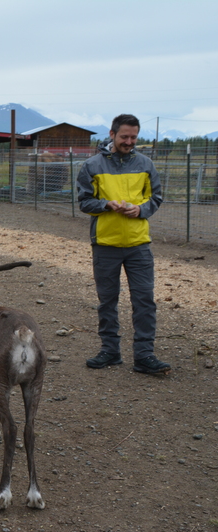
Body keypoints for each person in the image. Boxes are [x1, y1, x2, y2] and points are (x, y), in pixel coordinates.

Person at [77, 113, 170, 374]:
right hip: (105, 243)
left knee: (144, 300)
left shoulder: (146, 164)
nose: (129, 141)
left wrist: (141, 210)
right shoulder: (91, 166)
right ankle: (110, 351)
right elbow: (84, 202)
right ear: (112, 135)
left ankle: (144, 356)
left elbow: (156, 197)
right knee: (107, 300)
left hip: (139, 244)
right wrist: (106, 204)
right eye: (124, 137)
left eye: (133, 137)